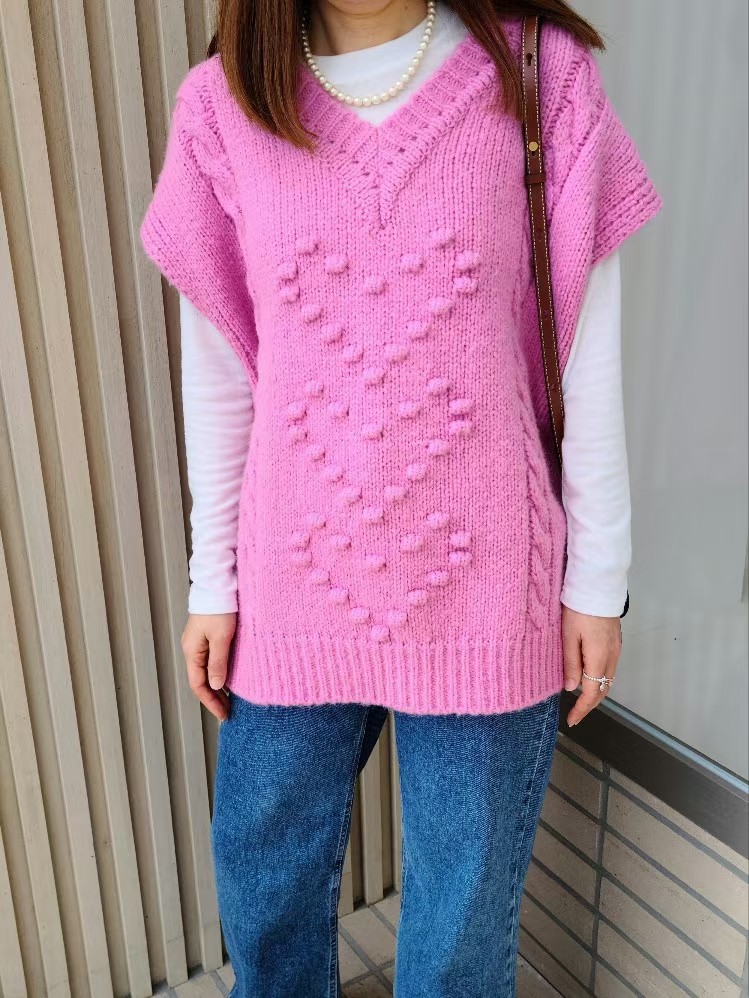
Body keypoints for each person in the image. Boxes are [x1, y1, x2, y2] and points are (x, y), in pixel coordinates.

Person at [141, 1, 662, 994]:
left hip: (489, 575)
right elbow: (220, 371)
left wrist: (597, 578)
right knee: (263, 866)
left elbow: (583, 346)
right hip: (292, 574)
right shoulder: (222, 105)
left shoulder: (540, 76)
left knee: (459, 921)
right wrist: (215, 580)